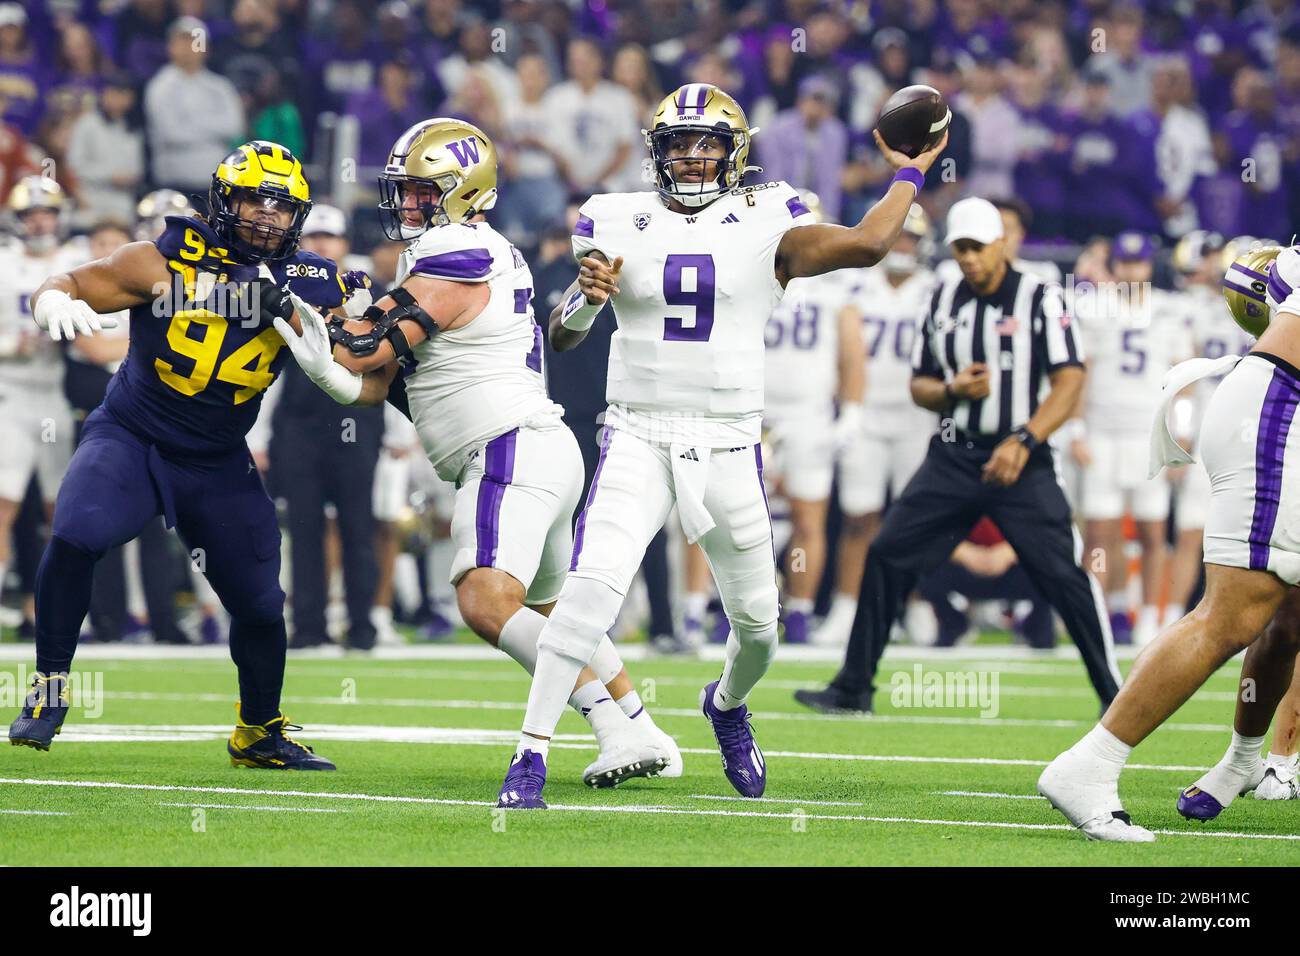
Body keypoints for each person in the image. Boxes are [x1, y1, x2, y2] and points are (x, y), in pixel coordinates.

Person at [499, 83, 946, 808]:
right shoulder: (617, 219)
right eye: (679, 143)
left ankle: (727, 704)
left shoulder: (768, 217)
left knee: (761, 631)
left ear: (734, 154)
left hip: (729, 441)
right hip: (637, 431)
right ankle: (530, 758)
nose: (693, 157)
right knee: (587, 598)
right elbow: (562, 334)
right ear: (658, 152)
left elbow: (867, 243)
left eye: (708, 144)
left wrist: (909, 171)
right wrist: (587, 297)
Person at [279, 117, 681, 788]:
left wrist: (306, 308)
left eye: (418, 192)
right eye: (401, 192)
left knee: (484, 600)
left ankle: (611, 729)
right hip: (538, 450)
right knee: (554, 611)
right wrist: (328, 353)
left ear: (462, 191)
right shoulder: (459, 253)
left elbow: (365, 346)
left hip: (507, 450)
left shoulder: (456, 250)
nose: (405, 206)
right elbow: (372, 383)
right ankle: (643, 727)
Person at [8, 141, 349, 770]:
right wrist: (53, 296)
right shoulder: (161, 260)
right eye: (254, 199)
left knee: (259, 605)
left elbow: (361, 330)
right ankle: (51, 686)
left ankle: (258, 731)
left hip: (219, 456)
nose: (267, 216)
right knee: (78, 533)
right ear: (224, 201)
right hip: (134, 434)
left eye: (282, 205)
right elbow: (74, 281)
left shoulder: (312, 277)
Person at [796, 197, 1121, 716]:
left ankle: (1115, 696)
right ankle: (854, 686)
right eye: (959, 249)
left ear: (1000, 244)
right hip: (954, 454)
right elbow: (919, 385)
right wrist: (951, 391)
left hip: (1021, 459)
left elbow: (1069, 379)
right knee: (887, 552)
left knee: (1063, 575)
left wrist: (1026, 440)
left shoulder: (1041, 297)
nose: (968, 259)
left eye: (975, 248)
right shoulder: (944, 296)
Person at [1037, 241, 1300, 841]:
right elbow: (1253, 274)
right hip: (1279, 408)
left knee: (1291, 615)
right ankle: (1089, 767)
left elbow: (1262, 273)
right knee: (1231, 616)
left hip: (1273, 405)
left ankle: (1242, 760)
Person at [820, 204, 936, 646]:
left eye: (911, 238)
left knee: (916, 518)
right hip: (864, 415)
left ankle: (914, 602)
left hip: (916, 416)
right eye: (899, 236)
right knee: (858, 516)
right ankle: (848, 605)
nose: (903, 245)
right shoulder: (852, 284)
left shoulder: (936, 289)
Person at [1074, 231, 1194, 646]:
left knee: (1152, 534)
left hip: (1148, 436)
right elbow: (1080, 374)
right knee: (1099, 533)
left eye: (1137, 263)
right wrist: (1075, 429)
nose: (1130, 271)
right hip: (1103, 432)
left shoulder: (1168, 310)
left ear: (1149, 266)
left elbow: (1183, 380)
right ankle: (1097, 618)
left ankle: (1149, 619)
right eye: (1123, 264)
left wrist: (1181, 433)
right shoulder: (1094, 308)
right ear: (1114, 267)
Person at [761, 189, 865, 645]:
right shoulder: (756, 273)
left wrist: (852, 413)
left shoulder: (834, 287)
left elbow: (851, 356)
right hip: (754, 410)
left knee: (808, 517)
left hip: (808, 413)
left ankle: (800, 610)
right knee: (738, 517)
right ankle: (739, 608)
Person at [0, 177, 86, 633]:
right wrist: (13, 343)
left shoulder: (74, 260)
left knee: (62, 506)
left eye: (47, 212)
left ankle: (51, 607)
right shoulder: (4, 263)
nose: (39, 221)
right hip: (9, 393)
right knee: (4, 500)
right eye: (31, 213)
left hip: (55, 391)